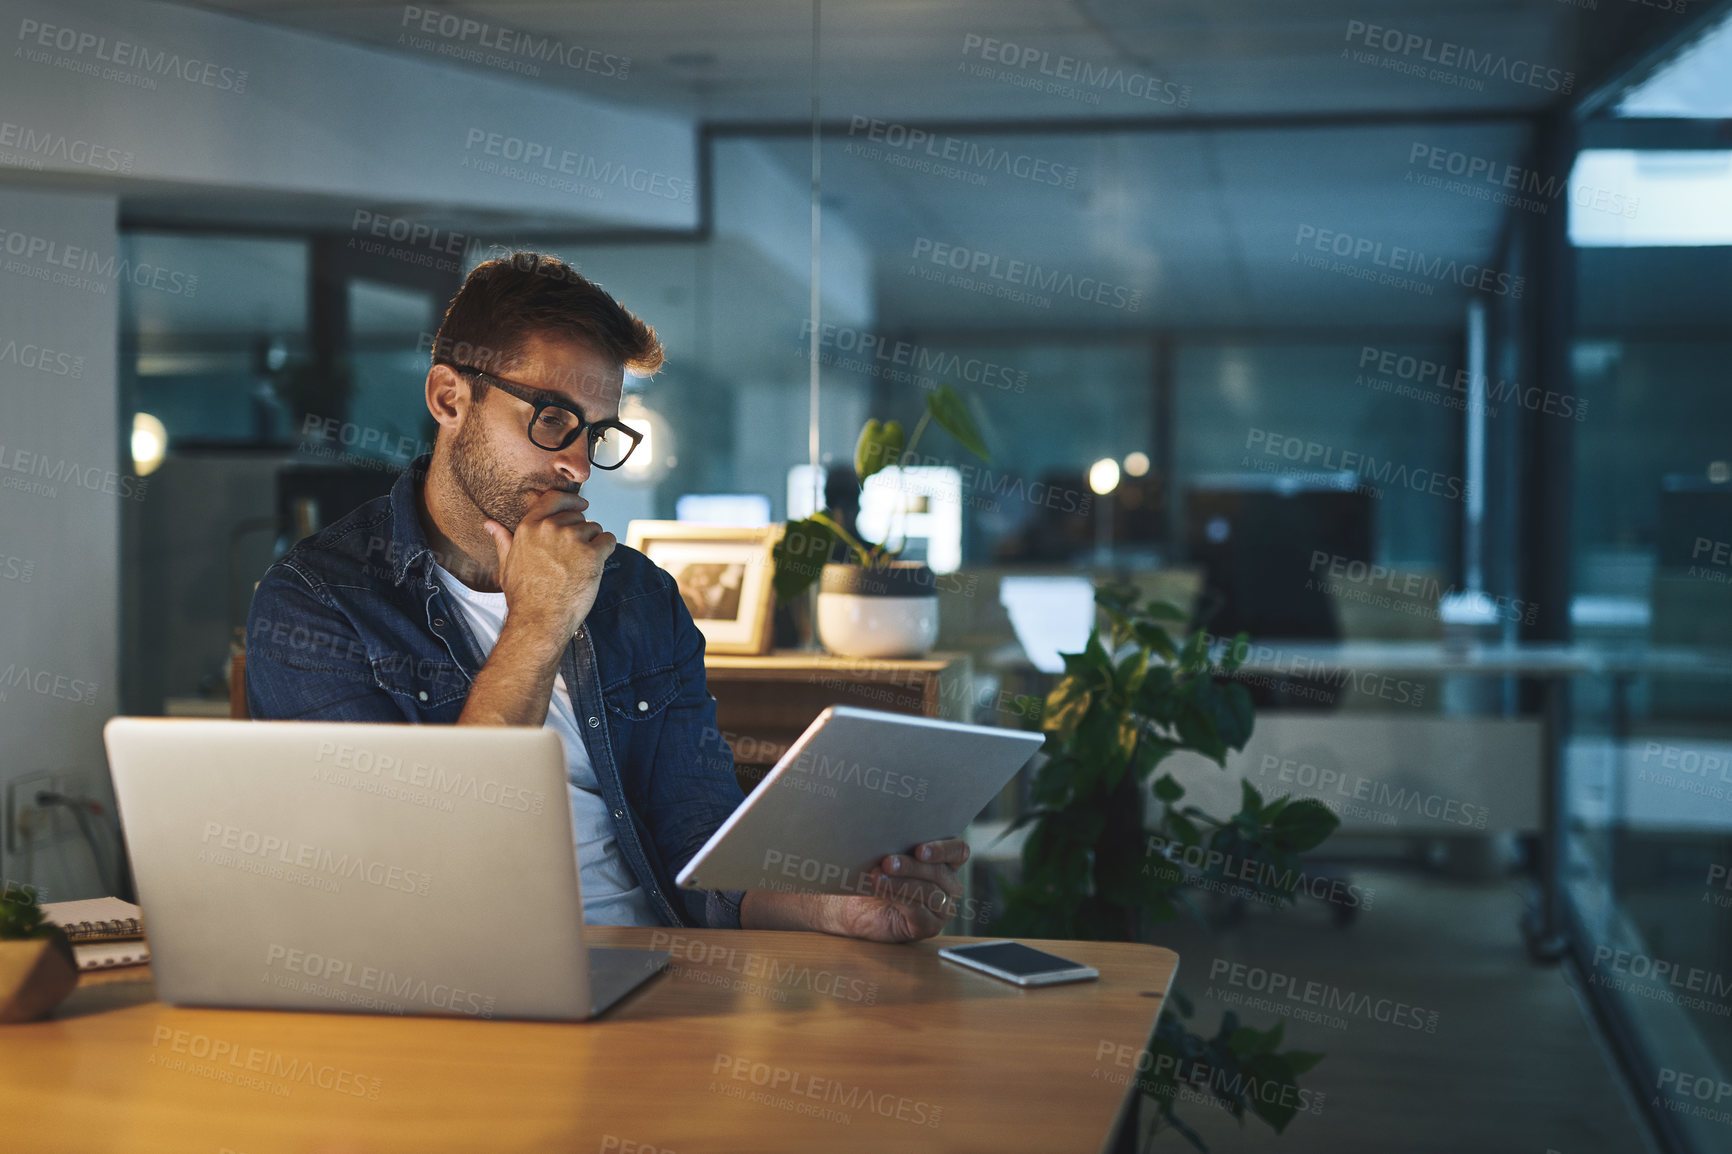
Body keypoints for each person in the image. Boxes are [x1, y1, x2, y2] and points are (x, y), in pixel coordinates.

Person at [246, 251, 966, 942]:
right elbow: (412, 876)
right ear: (449, 397)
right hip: (458, 989)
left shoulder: (640, 597)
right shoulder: (319, 603)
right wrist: (538, 622)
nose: (578, 463)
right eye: (551, 418)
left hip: (661, 973)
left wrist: (838, 909)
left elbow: (701, 850)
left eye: (598, 433)